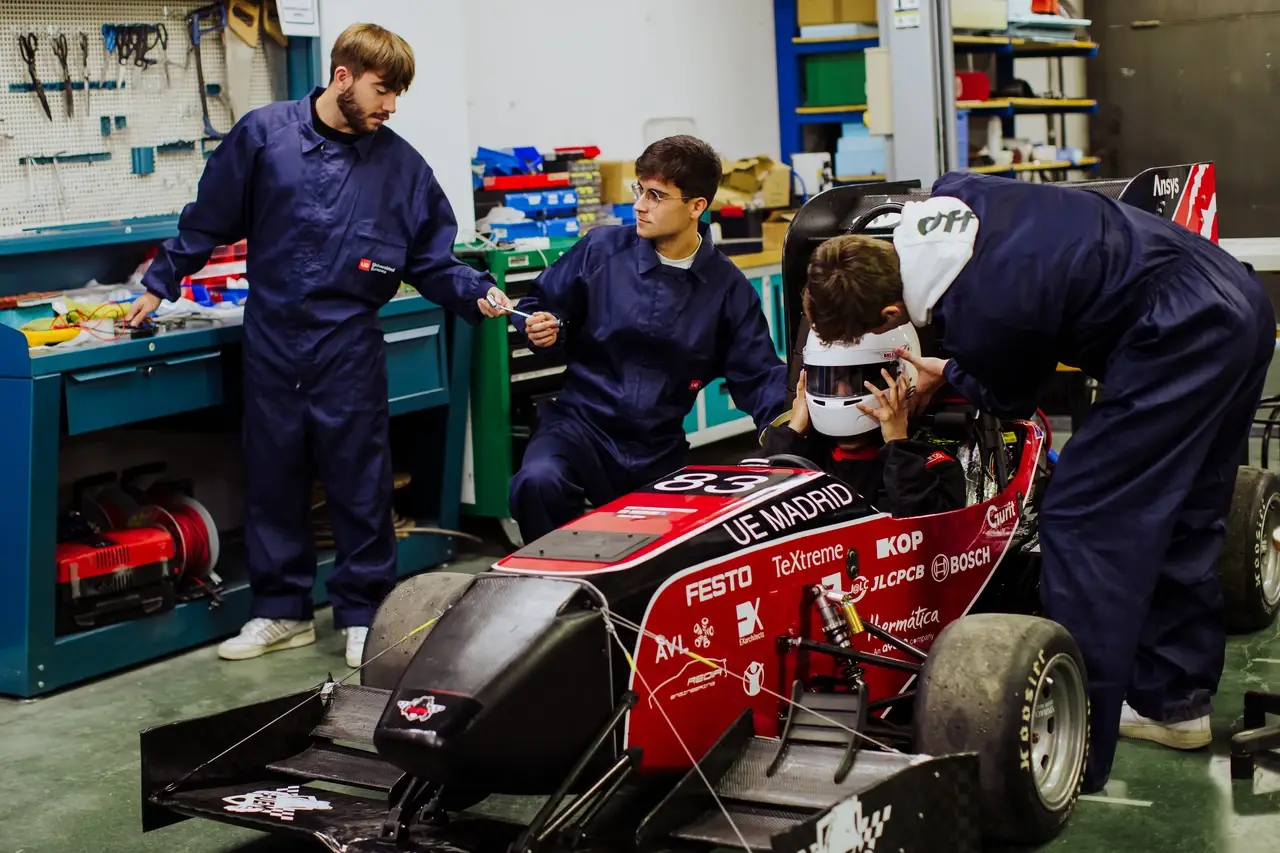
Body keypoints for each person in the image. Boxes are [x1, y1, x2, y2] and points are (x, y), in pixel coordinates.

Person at [800, 170, 1276, 794]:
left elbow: (1014, 394)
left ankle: (1076, 743)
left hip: (1177, 332)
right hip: (1235, 299)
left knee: (1083, 520)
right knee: (1185, 507)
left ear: (893, 313)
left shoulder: (980, 309)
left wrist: (950, 370)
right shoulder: (953, 194)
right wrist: (958, 364)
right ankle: (1173, 704)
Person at [125, 23, 512, 669]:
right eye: (383, 89)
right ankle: (281, 612)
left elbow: (433, 258)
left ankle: (363, 612)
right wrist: (160, 281)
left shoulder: (401, 167)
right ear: (342, 76)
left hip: (347, 343)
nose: (391, 106)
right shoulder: (264, 136)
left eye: (397, 94)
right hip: (273, 337)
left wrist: (478, 292)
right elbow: (209, 217)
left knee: (359, 483)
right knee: (272, 478)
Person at [507, 135, 788, 543]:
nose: (640, 205)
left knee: (662, 551)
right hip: (577, 425)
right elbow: (538, 303)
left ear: (696, 207)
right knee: (537, 482)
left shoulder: (728, 290)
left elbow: (760, 375)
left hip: (654, 447)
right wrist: (540, 326)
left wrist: (790, 433)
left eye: (656, 195)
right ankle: (551, 595)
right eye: (640, 189)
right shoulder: (599, 251)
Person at [761, 325, 966, 517]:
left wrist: (898, 445)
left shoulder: (932, 463)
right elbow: (759, 509)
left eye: (855, 381)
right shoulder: (805, 457)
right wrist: (792, 432)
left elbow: (926, 527)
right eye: (829, 382)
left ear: (904, 376)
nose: (840, 395)